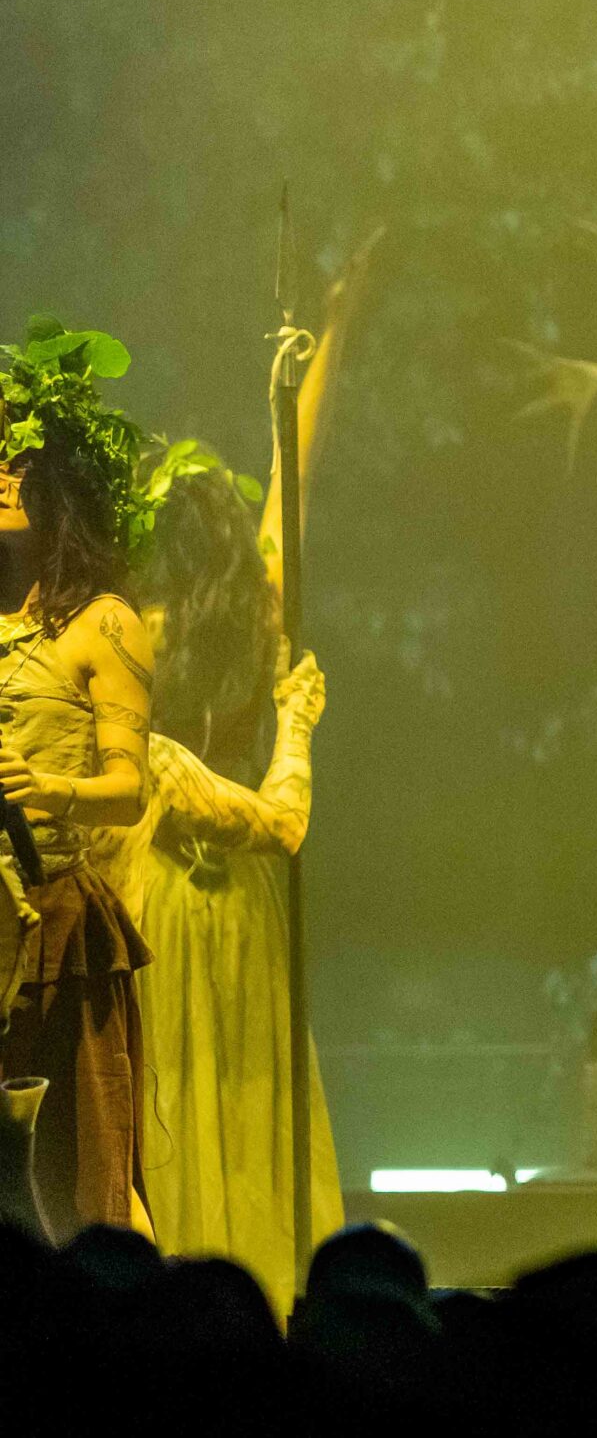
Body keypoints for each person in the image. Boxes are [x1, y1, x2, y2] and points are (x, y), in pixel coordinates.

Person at [123, 460, 334, 1313]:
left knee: (182, 1082)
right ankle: (256, 1296)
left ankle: (174, 1289)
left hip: (164, 887)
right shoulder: (258, 620)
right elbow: (290, 502)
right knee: (242, 1092)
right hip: (240, 890)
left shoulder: (133, 632)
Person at [0, 318, 158, 1235]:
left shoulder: (103, 624)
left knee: (72, 1178)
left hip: (56, 923)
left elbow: (129, 789)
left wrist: (47, 788)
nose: (3, 474)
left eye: (21, 459)